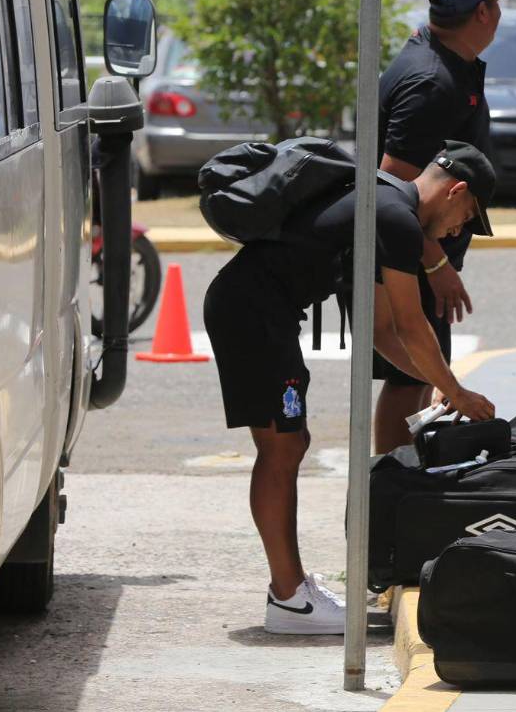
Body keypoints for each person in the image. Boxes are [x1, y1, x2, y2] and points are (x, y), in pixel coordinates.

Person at [203, 141, 498, 635]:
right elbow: (410, 325)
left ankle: (292, 587)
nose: (456, 233)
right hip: (253, 314)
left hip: (258, 312)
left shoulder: (382, 201)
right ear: (457, 190)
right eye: (466, 218)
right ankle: (289, 599)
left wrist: (442, 385)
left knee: (288, 444)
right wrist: (457, 390)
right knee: (281, 447)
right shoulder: (397, 219)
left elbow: (381, 333)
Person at [374, 0, 514, 454]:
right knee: (406, 377)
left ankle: (394, 491)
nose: (500, 12)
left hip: (419, 251)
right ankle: (387, 492)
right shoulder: (433, 81)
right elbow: (390, 187)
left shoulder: (446, 60)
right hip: (410, 257)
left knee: (412, 377)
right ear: (481, 13)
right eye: (496, 2)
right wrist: (434, 263)